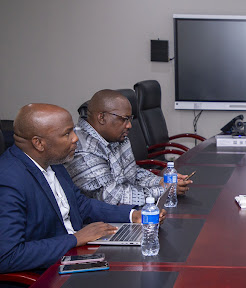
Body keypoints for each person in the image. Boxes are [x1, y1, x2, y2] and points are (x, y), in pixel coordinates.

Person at [0, 104, 165, 273]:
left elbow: (81, 205)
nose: (75, 138)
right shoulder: (9, 180)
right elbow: (8, 256)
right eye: (67, 133)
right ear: (39, 143)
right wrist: (75, 239)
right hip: (49, 272)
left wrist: (133, 215)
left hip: (77, 254)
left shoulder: (52, 162)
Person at [65, 89, 192, 206]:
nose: (129, 125)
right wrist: (164, 190)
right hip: (104, 220)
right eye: (125, 119)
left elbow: (132, 173)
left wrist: (160, 182)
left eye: (130, 119)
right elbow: (111, 197)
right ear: (102, 117)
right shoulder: (82, 148)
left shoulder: (117, 136)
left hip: (128, 209)